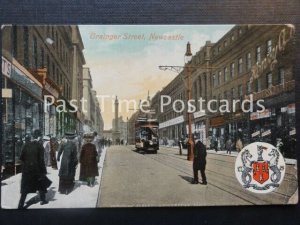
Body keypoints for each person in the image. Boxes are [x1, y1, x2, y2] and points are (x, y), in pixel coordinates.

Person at [18, 130, 49, 209]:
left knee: (25, 189)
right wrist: (44, 171)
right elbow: (41, 160)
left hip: (27, 170)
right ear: (39, 137)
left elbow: (21, 158)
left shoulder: (25, 145)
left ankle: (21, 204)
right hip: (37, 170)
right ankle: (43, 200)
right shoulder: (40, 146)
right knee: (41, 185)